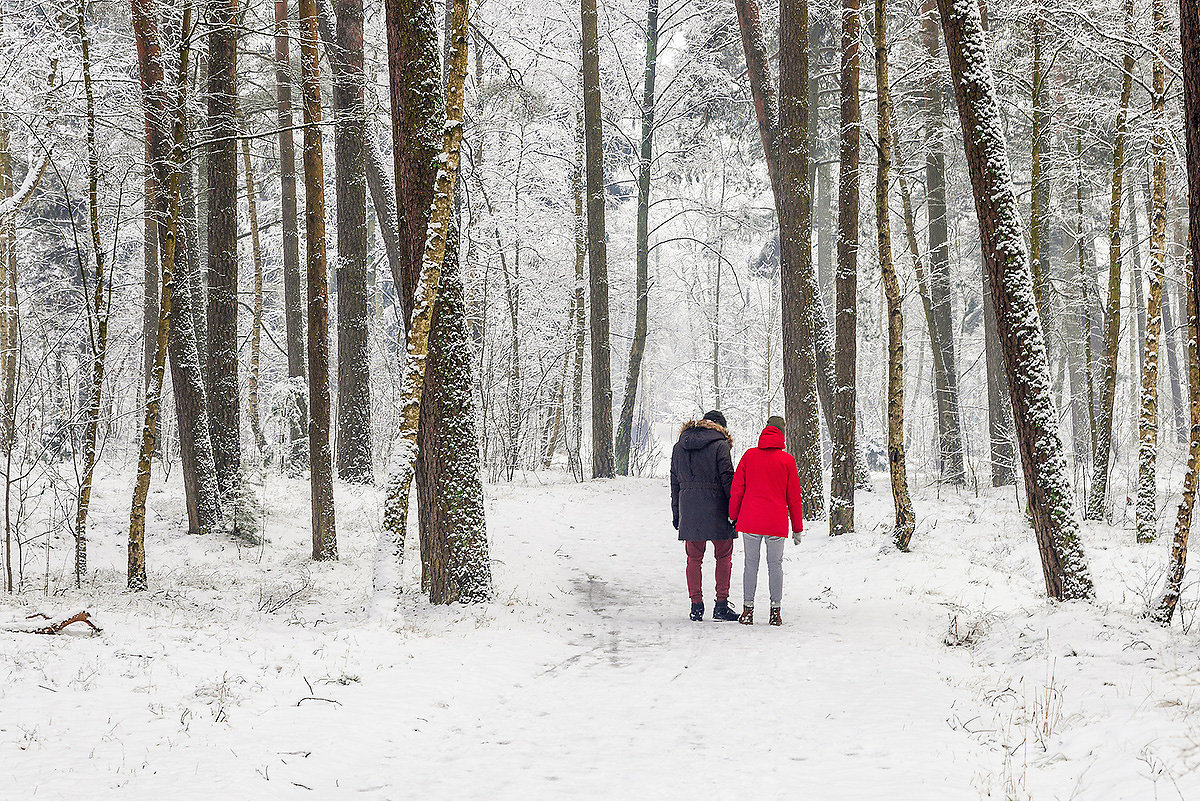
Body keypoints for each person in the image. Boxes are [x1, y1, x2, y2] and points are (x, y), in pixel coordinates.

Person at [728, 415, 802, 626]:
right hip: (776, 523)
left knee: (750, 565)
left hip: (751, 520)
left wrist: (733, 515)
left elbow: (737, 489)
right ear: (782, 434)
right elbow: (794, 498)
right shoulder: (787, 460)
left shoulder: (749, 456)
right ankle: (775, 612)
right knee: (775, 565)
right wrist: (797, 528)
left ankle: (748, 611)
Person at [670, 410, 739, 622]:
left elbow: (675, 484)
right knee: (724, 556)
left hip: (689, 509)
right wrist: (735, 511)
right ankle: (721, 605)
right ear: (720, 426)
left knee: (693, 558)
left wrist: (677, 513)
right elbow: (728, 480)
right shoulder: (720, 446)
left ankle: (696, 606)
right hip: (718, 508)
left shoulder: (679, 446)